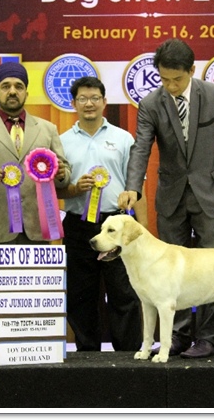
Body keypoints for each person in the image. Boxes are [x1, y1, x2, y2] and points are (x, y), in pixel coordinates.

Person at [118, 38, 214, 359]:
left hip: (211, 194)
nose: (171, 86)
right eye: (164, 79)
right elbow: (141, 147)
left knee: (211, 268)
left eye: (177, 79)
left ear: (192, 70)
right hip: (171, 196)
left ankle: (209, 337)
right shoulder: (151, 104)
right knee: (166, 271)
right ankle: (176, 335)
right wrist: (133, 186)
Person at [58, 76, 146, 352]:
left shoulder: (123, 138)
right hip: (78, 226)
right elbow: (56, 190)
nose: (89, 104)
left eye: (95, 98)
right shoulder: (61, 142)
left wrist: (141, 228)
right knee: (80, 294)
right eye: (82, 99)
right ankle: (87, 354)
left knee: (124, 292)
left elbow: (136, 184)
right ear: (73, 103)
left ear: (104, 102)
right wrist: (75, 188)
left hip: (118, 225)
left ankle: (129, 354)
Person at [0, 61, 71, 245]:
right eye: (5, 86)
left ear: (26, 93)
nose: (13, 91)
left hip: (37, 232)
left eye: (19, 86)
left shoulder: (48, 129)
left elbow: (65, 173)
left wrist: (62, 174)